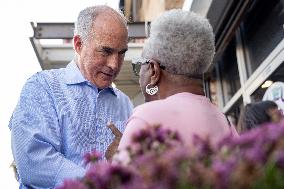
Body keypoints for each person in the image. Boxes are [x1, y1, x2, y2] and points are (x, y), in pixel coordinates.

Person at [8, 5, 133, 188]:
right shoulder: (42, 87)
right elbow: (33, 163)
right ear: (78, 44)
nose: (114, 64)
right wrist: (103, 182)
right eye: (105, 51)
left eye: (121, 53)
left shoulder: (125, 104)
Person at [117, 9, 237, 154]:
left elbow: (121, 177)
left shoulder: (146, 119)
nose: (140, 73)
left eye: (141, 64)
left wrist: (115, 156)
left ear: (154, 70)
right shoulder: (224, 121)